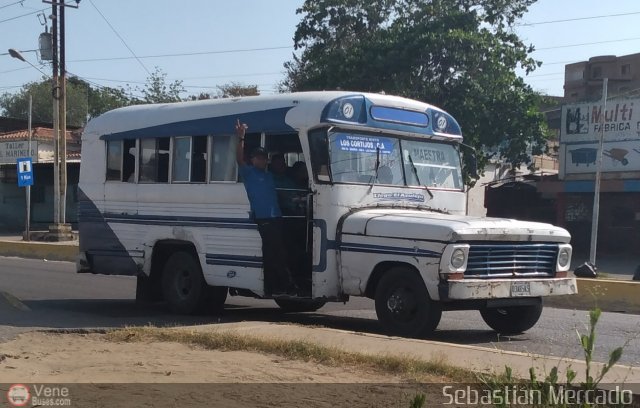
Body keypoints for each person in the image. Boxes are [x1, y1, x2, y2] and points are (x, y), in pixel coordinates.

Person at [235, 120, 299, 297]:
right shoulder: (248, 173)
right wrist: (241, 137)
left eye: (264, 158)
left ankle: (272, 287)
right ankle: (288, 285)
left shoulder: (270, 175)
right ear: (253, 159)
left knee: (273, 253)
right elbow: (239, 158)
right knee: (277, 252)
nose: (262, 160)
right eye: (258, 157)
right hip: (263, 218)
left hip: (276, 217)